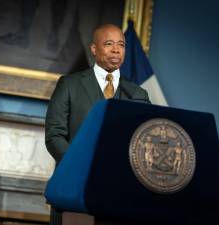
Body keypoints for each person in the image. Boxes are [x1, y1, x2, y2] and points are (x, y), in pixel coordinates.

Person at [45, 24, 150, 225]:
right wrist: (79, 167)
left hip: (119, 196)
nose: (116, 50)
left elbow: (143, 142)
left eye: (121, 45)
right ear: (94, 49)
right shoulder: (69, 84)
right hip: (74, 190)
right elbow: (54, 135)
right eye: (109, 44)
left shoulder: (137, 94)